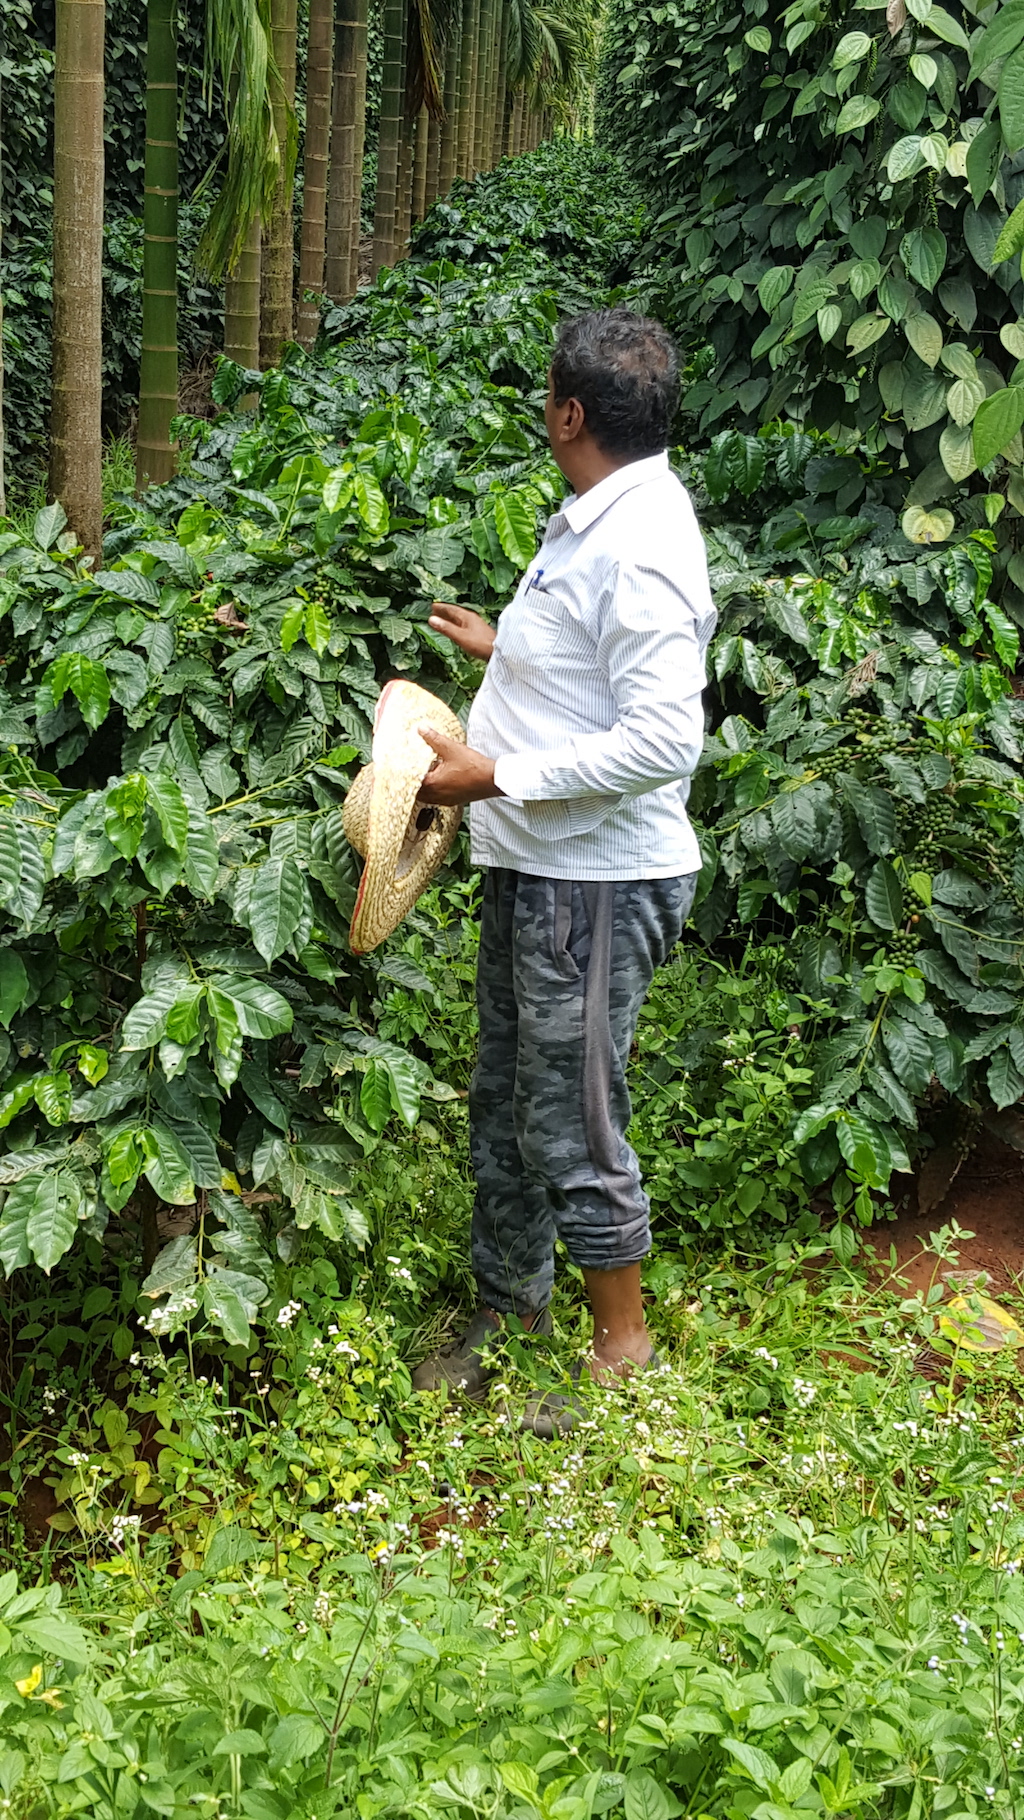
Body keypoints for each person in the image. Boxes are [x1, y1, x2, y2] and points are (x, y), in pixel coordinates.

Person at [410, 307, 717, 1437]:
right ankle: (511, 1310)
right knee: (508, 1099)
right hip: (541, 870)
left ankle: (621, 1349)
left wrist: (492, 774)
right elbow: (604, 669)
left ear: (571, 413)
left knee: (573, 1119)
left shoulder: (639, 545)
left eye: (548, 395)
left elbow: (663, 740)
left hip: (590, 886)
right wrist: (513, 651)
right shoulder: (601, 515)